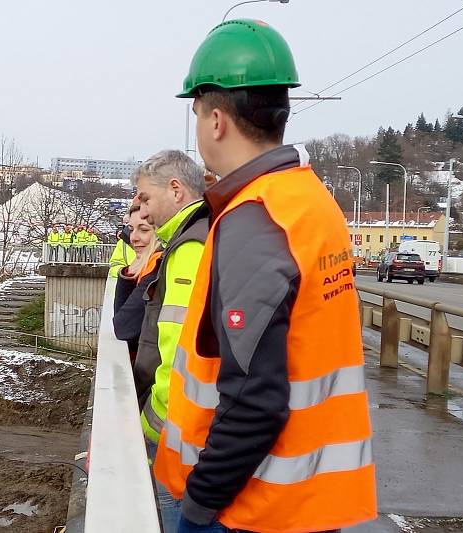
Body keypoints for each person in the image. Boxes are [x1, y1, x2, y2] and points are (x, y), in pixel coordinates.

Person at [153, 19, 377, 533]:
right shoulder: (310, 201)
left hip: (248, 511)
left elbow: (255, 400)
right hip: (307, 503)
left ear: (215, 119)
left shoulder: (254, 217)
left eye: (195, 112)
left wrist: (198, 506)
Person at [132, 149, 209, 532]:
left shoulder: (190, 247)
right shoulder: (196, 236)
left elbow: (180, 350)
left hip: (179, 432)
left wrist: (152, 424)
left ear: (176, 190)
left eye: (145, 198)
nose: (140, 211)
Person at [113, 203, 160, 362]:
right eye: (131, 229)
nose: (133, 238)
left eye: (144, 230)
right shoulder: (149, 265)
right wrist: (130, 272)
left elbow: (123, 326)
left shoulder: (157, 267)